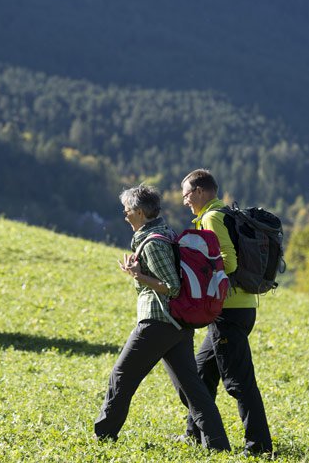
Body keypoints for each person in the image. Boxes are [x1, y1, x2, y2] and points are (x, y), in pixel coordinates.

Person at [94, 184, 230, 451]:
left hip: (157, 322)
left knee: (121, 376)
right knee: (192, 388)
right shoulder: (164, 233)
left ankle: (104, 435)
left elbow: (171, 285)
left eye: (128, 209)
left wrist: (138, 276)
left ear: (141, 212)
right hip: (177, 325)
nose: (125, 214)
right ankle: (217, 445)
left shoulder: (154, 242)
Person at [178, 169, 274, 456]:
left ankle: (258, 448)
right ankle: (193, 434)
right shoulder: (227, 214)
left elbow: (228, 262)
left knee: (239, 382)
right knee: (201, 373)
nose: (184, 202)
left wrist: (199, 282)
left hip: (228, 310)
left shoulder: (212, 217)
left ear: (198, 191)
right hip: (241, 308)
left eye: (185, 195)